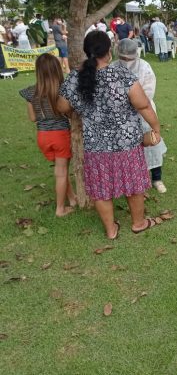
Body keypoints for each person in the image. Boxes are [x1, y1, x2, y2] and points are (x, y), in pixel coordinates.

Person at [57, 31, 162, 239]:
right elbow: (143, 105)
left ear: (87, 52)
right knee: (134, 185)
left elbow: (62, 106)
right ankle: (138, 223)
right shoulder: (121, 75)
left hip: (96, 146)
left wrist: (78, 111)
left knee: (101, 189)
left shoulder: (75, 78)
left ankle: (111, 230)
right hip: (127, 143)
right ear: (109, 52)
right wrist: (156, 128)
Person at [19, 53, 76, 217]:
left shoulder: (30, 92)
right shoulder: (62, 90)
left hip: (43, 137)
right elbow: (69, 113)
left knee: (60, 170)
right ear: (57, 69)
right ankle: (60, 209)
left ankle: (72, 198)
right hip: (61, 136)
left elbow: (33, 118)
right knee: (61, 172)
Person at [112, 39, 168, 193]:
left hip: (144, 113)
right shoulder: (113, 68)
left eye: (128, 58)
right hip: (121, 116)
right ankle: (131, 179)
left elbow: (148, 92)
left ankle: (157, 178)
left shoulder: (145, 67)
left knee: (152, 144)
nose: (126, 61)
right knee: (127, 149)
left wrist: (132, 101)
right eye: (123, 58)